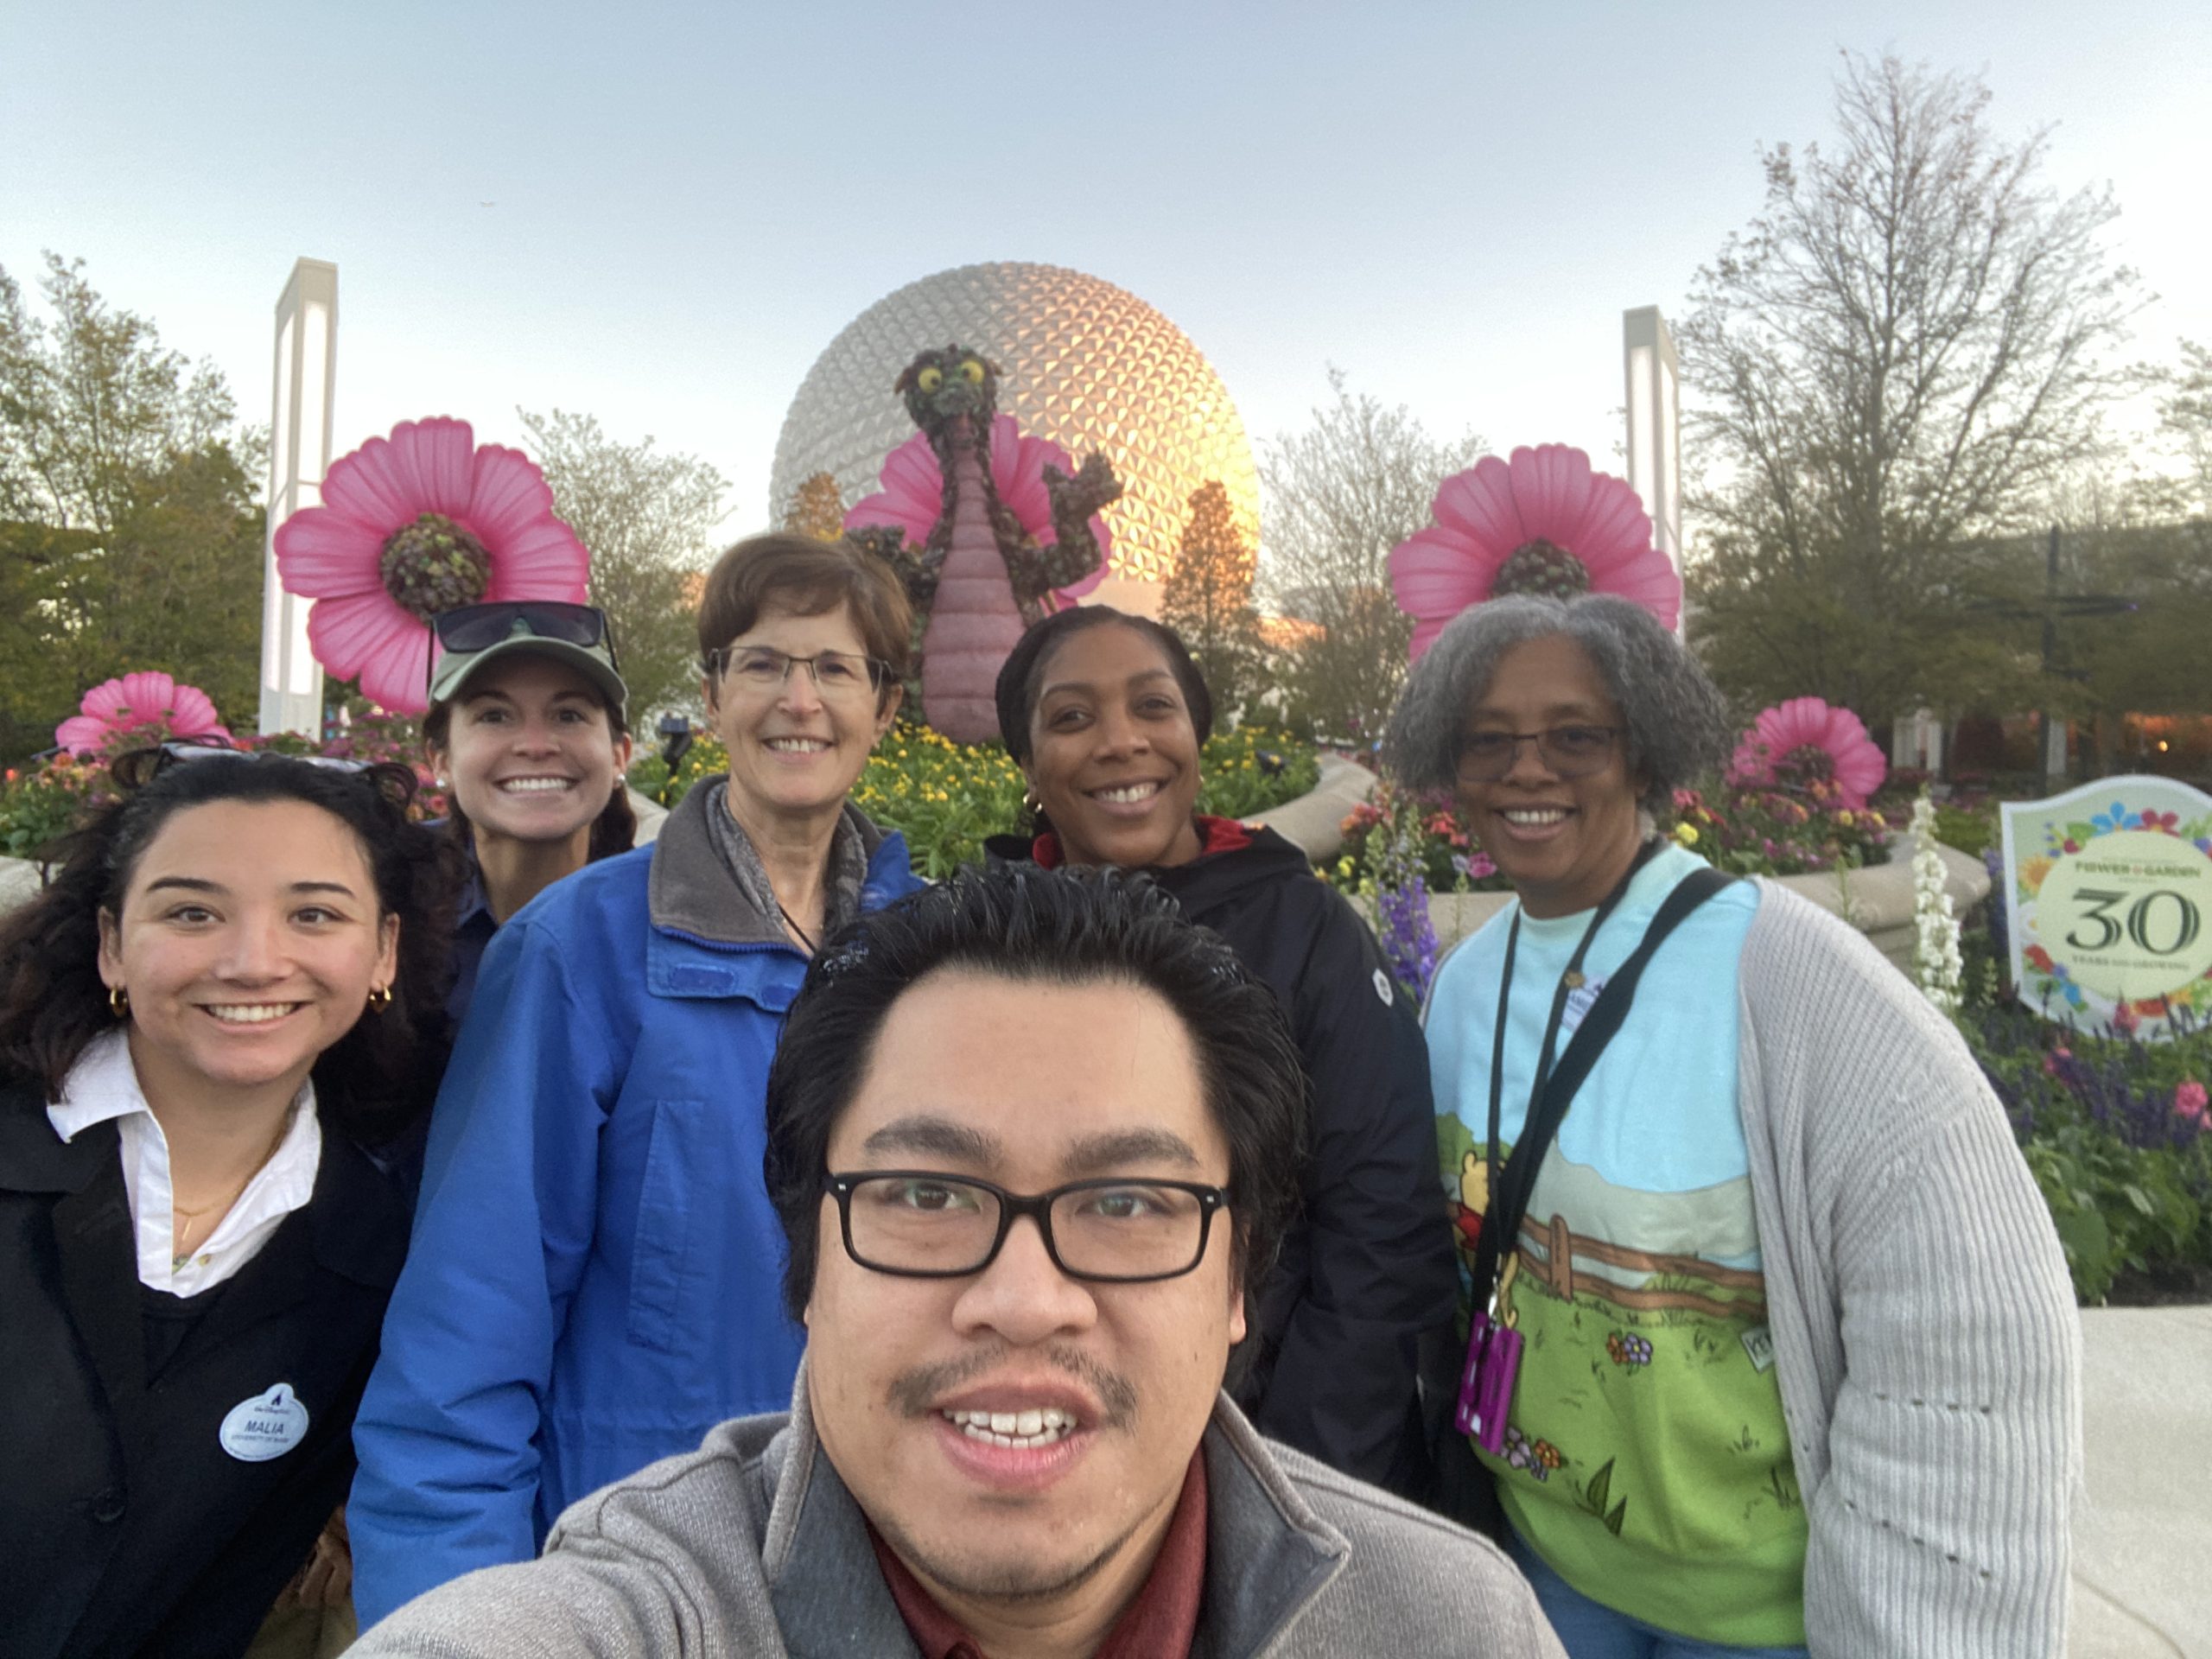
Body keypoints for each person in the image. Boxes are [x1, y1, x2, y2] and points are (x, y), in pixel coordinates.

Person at [352, 866, 1566, 1658]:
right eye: (926, 1194)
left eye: (1130, 1202)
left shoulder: (1451, 1628)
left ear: (1241, 1278)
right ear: (809, 1261)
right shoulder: (629, 1621)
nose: (1025, 1302)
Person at [1384, 593, 2078, 1658]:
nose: (1529, 770)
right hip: (1539, 1571)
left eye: (1576, 736)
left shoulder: (1791, 979)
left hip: (1764, 1617)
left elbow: (1970, 1333)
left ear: (1646, 750)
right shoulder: (1465, 987)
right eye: (1489, 742)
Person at [349, 532, 930, 1627]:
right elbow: (467, 1331)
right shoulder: (582, 949)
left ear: (883, 708)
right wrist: (454, 1626)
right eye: (761, 664)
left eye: (834, 669)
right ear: (711, 696)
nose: (796, 699)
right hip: (644, 1568)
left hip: (891, 1561)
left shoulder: (942, 957)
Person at [984, 605, 1458, 1496]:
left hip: (1287, 1446)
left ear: (1196, 731)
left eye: (1153, 707)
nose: (1122, 742)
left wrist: (1292, 1480)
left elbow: (1382, 1222)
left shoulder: (1303, 929)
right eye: (1072, 717)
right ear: (1026, 760)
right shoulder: (987, 947)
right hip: (1063, 1446)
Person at [0, 747, 455, 1659]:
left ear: (385, 953)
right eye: (193, 912)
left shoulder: (380, 1264)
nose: (254, 961)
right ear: (111, 944)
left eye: (314, 913)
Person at [421, 600, 636, 1020]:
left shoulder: (668, 921)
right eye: (495, 716)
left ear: (619, 757)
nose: (536, 745)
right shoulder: (384, 906)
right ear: (440, 759)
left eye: (569, 715)